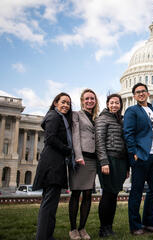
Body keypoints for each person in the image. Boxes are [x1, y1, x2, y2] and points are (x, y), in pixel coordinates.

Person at [123, 83, 153, 235]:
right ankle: (135, 226)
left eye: (143, 91)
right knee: (137, 192)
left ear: (148, 93)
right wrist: (134, 152)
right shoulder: (132, 111)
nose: (141, 94)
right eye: (137, 92)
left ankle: (148, 223)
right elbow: (128, 133)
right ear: (134, 96)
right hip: (141, 156)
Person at [33, 92, 73, 240]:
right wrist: (67, 150)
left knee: (50, 203)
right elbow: (50, 138)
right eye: (63, 102)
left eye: (68, 103)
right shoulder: (53, 116)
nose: (66, 105)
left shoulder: (60, 118)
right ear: (56, 103)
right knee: (49, 204)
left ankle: (47, 235)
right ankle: (43, 236)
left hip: (55, 163)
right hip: (52, 164)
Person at [95, 93, 130, 237]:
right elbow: (99, 142)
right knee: (107, 195)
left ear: (120, 105)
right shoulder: (102, 119)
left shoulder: (121, 121)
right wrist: (104, 162)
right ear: (107, 104)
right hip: (108, 159)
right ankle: (103, 228)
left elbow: (126, 144)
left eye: (117, 103)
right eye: (112, 102)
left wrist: (127, 166)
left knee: (113, 195)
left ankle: (109, 227)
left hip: (120, 161)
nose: (114, 105)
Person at [68, 89, 99, 240]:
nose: (89, 101)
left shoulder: (96, 117)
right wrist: (78, 156)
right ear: (82, 100)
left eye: (92, 99)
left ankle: (82, 228)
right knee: (75, 193)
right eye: (87, 99)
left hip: (93, 159)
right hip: (81, 158)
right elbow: (75, 136)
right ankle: (73, 229)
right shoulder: (76, 115)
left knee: (88, 194)